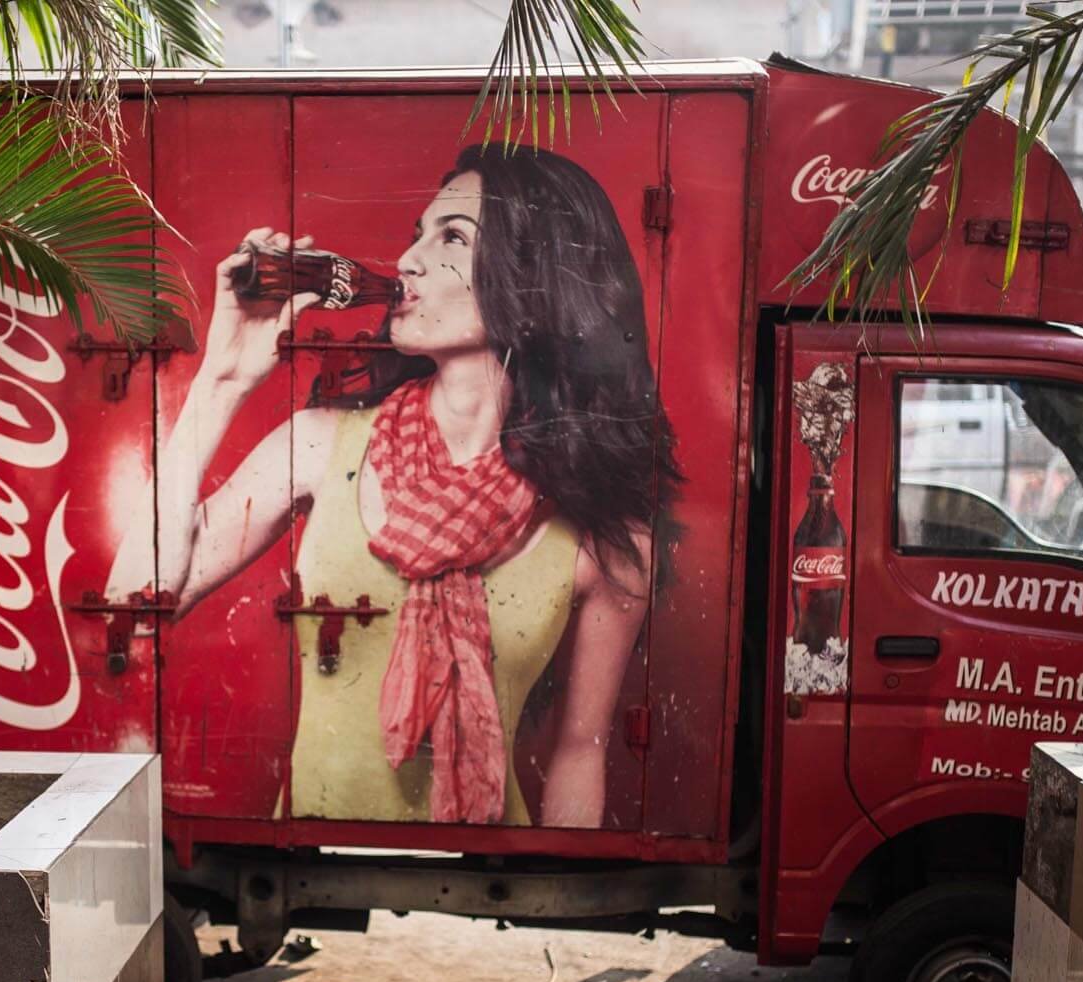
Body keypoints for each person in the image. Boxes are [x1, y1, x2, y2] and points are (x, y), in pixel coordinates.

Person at [108, 145, 677, 828]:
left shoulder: (603, 538)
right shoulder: (321, 445)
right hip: (320, 878)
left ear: (534, 283)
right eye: (419, 232)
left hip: (489, 882)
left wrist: (540, 904)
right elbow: (131, 604)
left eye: (453, 237)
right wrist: (221, 383)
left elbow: (580, 754)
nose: (407, 260)